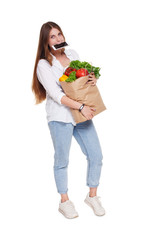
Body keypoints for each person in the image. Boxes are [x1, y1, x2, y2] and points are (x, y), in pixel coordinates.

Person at [32, 21, 105, 219]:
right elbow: (56, 94)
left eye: (59, 34)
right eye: (52, 37)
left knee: (96, 155)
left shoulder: (73, 55)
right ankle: (64, 201)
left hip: (82, 115)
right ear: (46, 42)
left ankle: (92, 196)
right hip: (60, 117)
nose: (58, 39)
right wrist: (81, 106)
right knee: (62, 161)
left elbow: (80, 83)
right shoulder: (43, 64)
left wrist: (92, 79)